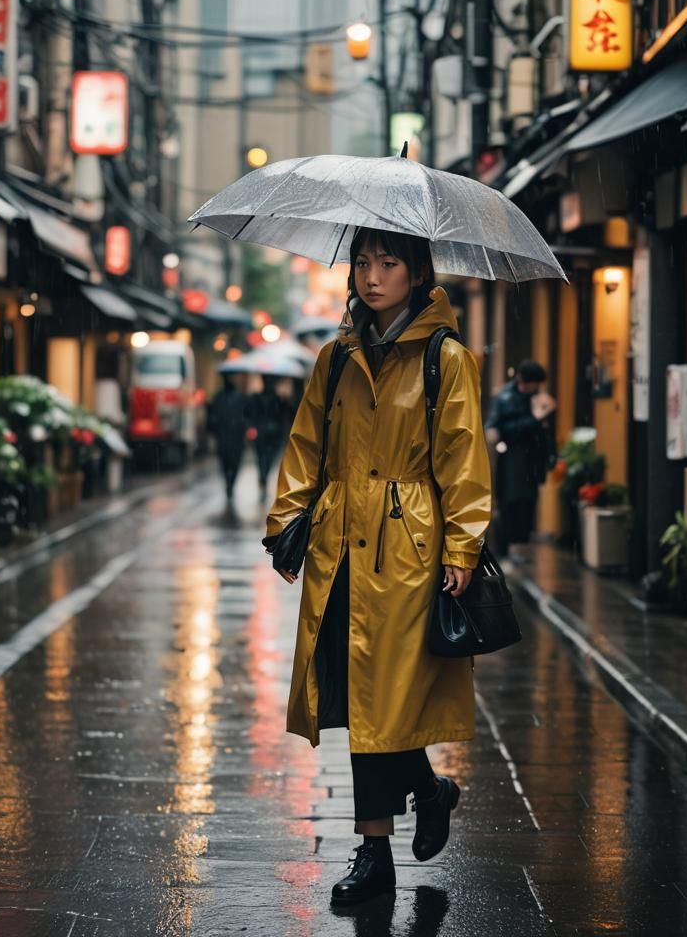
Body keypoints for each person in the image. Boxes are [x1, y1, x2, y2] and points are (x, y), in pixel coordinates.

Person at [263, 227, 491, 907]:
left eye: (388, 262)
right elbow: (307, 445)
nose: (371, 275)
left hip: (408, 550)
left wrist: (461, 547)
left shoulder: (445, 359)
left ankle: (373, 856)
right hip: (339, 546)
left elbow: (464, 459)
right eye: (362, 261)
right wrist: (286, 525)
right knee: (359, 695)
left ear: (417, 270)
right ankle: (428, 789)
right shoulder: (334, 357)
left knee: (379, 698)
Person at [485, 360, 556, 557]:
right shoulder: (506, 398)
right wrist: (534, 419)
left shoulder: (537, 398)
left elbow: (546, 432)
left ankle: (519, 546)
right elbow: (498, 430)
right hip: (512, 459)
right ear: (523, 381)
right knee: (511, 504)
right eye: (534, 384)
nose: (536, 388)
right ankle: (505, 548)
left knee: (528, 502)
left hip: (533, 460)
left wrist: (550, 455)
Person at [244, 375, 288, 500]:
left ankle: (264, 476)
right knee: (263, 458)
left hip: (271, 434)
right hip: (264, 433)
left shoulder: (277, 399)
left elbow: (283, 415)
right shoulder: (259, 398)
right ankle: (263, 476)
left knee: (266, 458)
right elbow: (250, 414)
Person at [207, 375, 248, 501]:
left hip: (232, 436)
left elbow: (246, 416)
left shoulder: (239, 397)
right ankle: (229, 483)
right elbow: (212, 416)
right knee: (228, 462)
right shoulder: (220, 397)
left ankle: (230, 483)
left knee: (231, 462)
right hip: (226, 436)